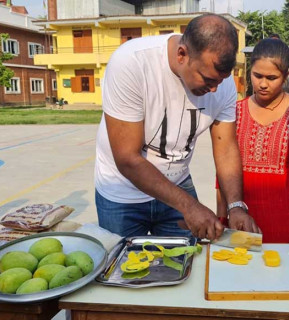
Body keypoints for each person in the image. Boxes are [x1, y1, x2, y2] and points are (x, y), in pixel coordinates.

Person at [95, 14, 259, 240]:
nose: (214, 90)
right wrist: (189, 206)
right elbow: (128, 159)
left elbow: (226, 148)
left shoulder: (222, 83)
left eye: (219, 82)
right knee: (124, 270)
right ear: (182, 54)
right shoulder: (132, 63)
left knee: (187, 266)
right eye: (207, 80)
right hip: (123, 193)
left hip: (177, 182)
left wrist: (236, 206)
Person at [216, 39, 289, 246]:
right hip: (241, 225)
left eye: (272, 78)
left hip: (287, 228)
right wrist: (222, 220)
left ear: (286, 77)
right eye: (257, 76)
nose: (263, 84)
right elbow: (222, 176)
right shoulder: (234, 112)